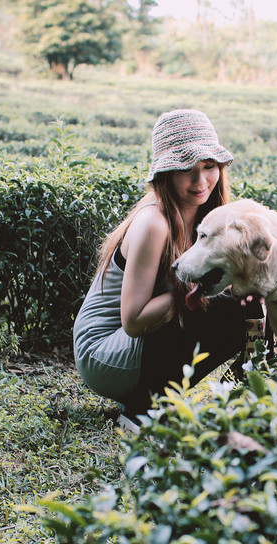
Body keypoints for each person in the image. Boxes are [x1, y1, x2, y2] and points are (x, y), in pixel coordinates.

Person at [73, 109, 255, 429]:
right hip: (103, 352)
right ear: (166, 173)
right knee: (223, 310)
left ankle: (165, 396)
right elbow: (132, 320)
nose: (201, 181)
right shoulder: (154, 223)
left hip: (137, 345)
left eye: (209, 166)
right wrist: (197, 293)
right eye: (187, 169)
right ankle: (143, 408)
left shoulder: (207, 217)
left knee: (244, 307)